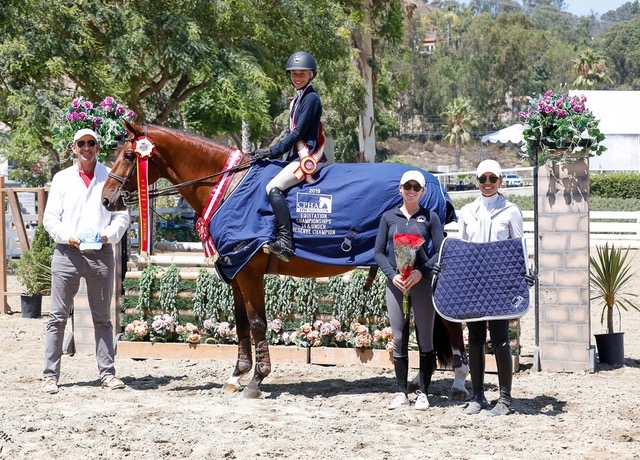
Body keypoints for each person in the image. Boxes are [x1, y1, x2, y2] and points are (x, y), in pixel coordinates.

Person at [41, 128, 130, 394]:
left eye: (92, 143)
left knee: (102, 318)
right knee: (57, 317)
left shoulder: (110, 176)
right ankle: (49, 376)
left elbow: (122, 217)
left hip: (100, 254)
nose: (87, 147)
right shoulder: (61, 179)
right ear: (74, 148)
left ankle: (108, 374)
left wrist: (108, 236)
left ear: (98, 147)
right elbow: (50, 219)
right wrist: (68, 237)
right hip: (67, 253)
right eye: (82, 143)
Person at [457, 159, 524, 416]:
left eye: (492, 179)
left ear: (500, 181)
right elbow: (462, 248)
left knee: (500, 341)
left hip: (499, 285)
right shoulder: (467, 211)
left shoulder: (511, 211)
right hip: (474, 283)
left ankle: (505, 399)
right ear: (476, 181)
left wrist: (521, 277)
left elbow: (518, 247)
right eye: (482, 179)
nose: (487, 183)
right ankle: (478, 396)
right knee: (474, 340)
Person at [374, 170, 444, 410]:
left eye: (416, 187)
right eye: (407, 186)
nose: (411, 190)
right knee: (399, 337)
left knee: (425, 338)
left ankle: (423, 392)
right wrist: (392, 275)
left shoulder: (430, 217)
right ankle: (402, 392)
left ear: (422, 191)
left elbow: (439, 251)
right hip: (396, 285)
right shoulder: (388, 217)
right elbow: (378, 252)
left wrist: (420, 271)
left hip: (420, 283)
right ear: (400, 189)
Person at [252, 51, 326, 262]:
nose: (297, 77)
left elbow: (297, 133)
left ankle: (285, 242)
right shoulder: (298, 98)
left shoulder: (311, 98)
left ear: (311, 74)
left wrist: (272, 150)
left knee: (272, 187)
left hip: (308, 156)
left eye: (302, 73)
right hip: (296, 155)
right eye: (293, 73)